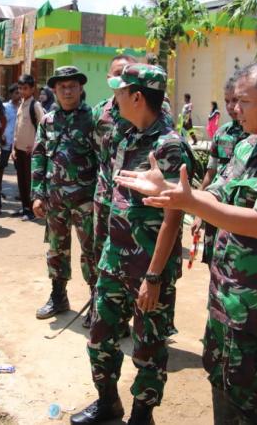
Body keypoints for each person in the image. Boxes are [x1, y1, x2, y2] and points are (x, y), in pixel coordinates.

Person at [115, 60, 257, 425]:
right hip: (224, 293)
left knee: (249, 391)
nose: (234, 108)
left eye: (244, 101)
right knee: (220, 377)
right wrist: (171, 191)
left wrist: (190, 202)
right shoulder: (247, 147)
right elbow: (215, 194)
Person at [71, 63, 189, 425]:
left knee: (149, 348)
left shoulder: (169, 146)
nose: (115, 98)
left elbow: (173, 217)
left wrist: (153, 276)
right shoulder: (125, 137)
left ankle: (142, 414)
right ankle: (108, 402)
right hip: (114, 260)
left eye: (120, 92)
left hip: (147, 269)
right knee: (100, 336)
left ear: (137, 97)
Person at [31, 66, 97, 320]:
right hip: (55, 200)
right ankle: (58, 296)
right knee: (57, 249)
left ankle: (96, 302)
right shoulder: (48, 121)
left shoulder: (92, 119)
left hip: (86, 200)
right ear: (55, 90)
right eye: (62, 87)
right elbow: (39, 156)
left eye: (72, 86)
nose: (67, 91)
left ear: (80, 88)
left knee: (91, 251)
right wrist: (38, 194)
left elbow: (103, 159)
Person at [90, 54, 137, 329]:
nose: (119, 78)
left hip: (132, 201)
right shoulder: (100, 112)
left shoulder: (146, 109)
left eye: (125, 72)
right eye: (115, 73)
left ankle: (129, 315)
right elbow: (97, 151)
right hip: (104, 197)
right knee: (101, 255)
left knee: (130, 257)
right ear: (108, 78)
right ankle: (104, 311)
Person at [190, 73, 249, 263]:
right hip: (216, 206)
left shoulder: (255, 134)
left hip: (240, 211)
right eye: (227, 101)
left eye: (236, 100)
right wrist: (199, 212)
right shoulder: (222, 134)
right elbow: (210, 174)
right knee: (214, 261)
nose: (232, 106)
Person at [12, 74, 44, 221]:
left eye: (25, 88)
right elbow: (16, 128)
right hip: (19, 150)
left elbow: (43, 127)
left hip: (30, 152)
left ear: (32, 89)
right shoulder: (21, 104)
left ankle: (31, 210)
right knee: (21, 181)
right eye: (20, 88)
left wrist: (37, 146)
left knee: (30, 182)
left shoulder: (35, 105)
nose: (22, 91)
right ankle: (25, 207)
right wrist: (13, 148)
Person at [0, 84, 20, 204]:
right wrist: (2, 136)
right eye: (16, 92)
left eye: (19, 92)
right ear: (10, 94)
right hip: (6, 141)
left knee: (19, 168)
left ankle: (21, 192)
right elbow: (1, 122)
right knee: (1, 167)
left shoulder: (22, 107)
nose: (18, 95)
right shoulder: (5, 107)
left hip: (18, 143)